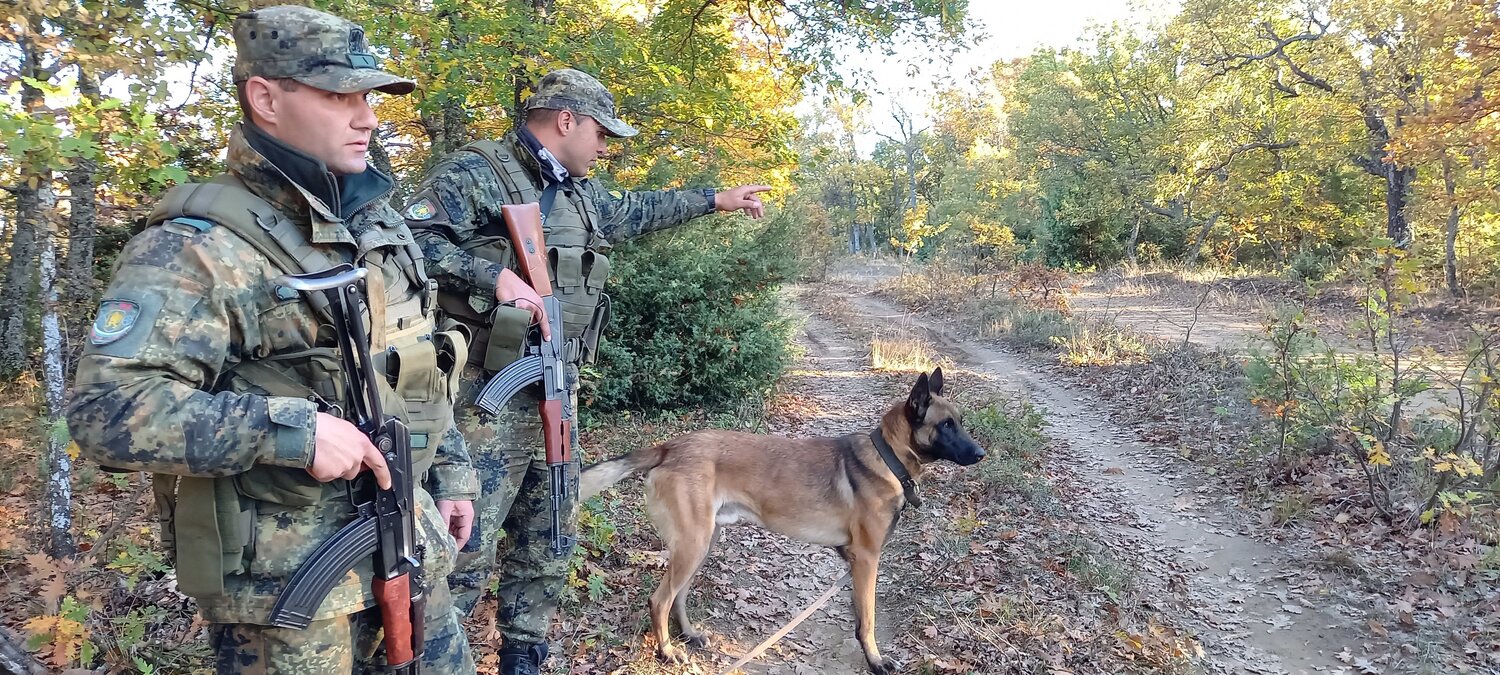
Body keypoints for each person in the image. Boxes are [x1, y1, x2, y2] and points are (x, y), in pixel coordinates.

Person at [66, 6, 478, 673]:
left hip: (410, 541)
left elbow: (415, 366)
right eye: (339, 95)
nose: (367, 116)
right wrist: (291, 431)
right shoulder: (198, 247)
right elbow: (104, 413)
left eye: (368, 96)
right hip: (288, 600)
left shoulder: (379, 225)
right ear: (266, 98)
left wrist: (452, 471)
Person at [402, 67, 771, 674]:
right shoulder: (476, 172)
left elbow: (640, 209)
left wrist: (715, 200)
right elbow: (405, 243)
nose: (606, 147)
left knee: (549, 537)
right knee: (464, 546)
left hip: (555, 390)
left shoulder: (579, 193)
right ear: (566, 120)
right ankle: (441, 659)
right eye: (602, 133)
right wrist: (489, 277)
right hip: (481, 401)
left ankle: (524, 655)